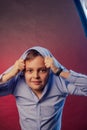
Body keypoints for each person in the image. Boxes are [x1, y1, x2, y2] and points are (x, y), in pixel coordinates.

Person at [0, 46, 87, 130]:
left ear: (49, 70)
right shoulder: (16, 84)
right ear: (23, 73)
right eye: (30, 70)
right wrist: (10, 74)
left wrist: (60, 71)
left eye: (42, 70)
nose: (36, 76)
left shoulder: (60, 83)